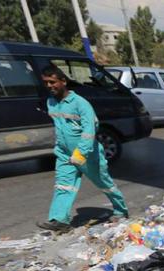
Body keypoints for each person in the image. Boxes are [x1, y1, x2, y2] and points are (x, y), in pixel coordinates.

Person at [37, 65, 128, 233]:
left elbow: (89, 131)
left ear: (63, 81)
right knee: (63, 186)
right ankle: (60, 220)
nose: (49, 86)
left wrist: (81, 152)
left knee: (104, 183)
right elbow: (60, 128)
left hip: (87, 153)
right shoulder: (51, 102)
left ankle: (120, 210)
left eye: (52, 82)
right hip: (64, 153)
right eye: (46, 83)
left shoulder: (81, 104)